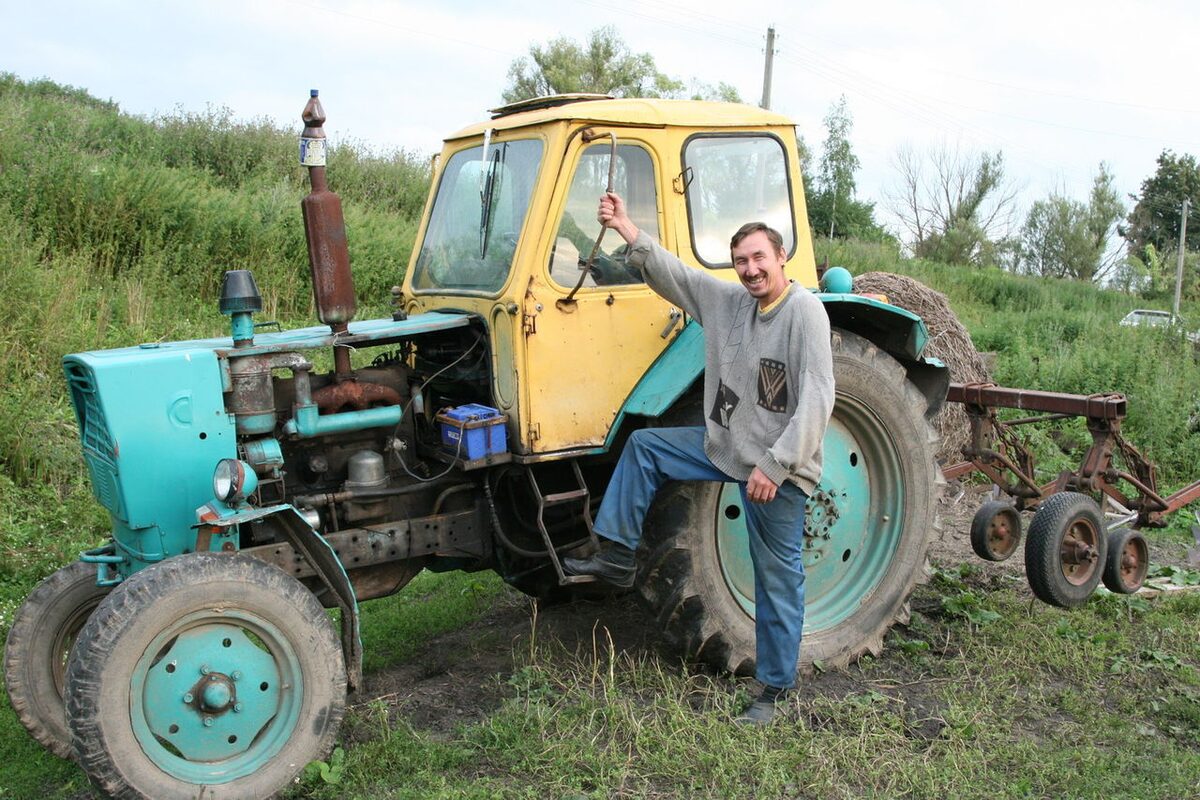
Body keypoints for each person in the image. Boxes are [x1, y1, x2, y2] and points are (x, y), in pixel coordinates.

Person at [563, 192, 835, 726]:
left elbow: (819, 397)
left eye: (759, 258)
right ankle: (617, 556)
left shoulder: (805, 312)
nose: (751, 270)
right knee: (646, 447)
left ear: (780, 257)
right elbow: (679, 277)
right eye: (741, 262)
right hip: (727, 448)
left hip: (776, 471)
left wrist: (775, 466)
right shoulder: (732, 304)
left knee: (776, 577)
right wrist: (626, 229)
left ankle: (774, 690)